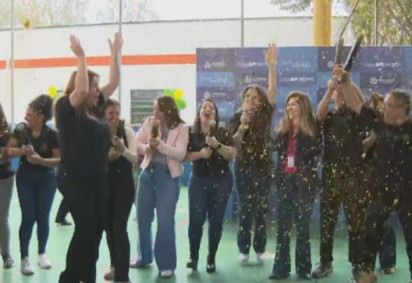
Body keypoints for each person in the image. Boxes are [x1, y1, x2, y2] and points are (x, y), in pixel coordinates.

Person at [55, 33, 122, 283]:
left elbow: (113, 82)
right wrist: (81, 57)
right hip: (75, 180)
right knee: (85, 229)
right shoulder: (66, 109)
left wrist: (114, 55)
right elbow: (82, 88)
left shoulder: (95, 109)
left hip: (98, 179)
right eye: (95, 87)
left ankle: (87, 276)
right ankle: (70, 278)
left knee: (95, 230)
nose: (97, 91)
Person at [340, 69, 412, 283]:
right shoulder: (379, 123)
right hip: (381, 191)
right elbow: (355, 104)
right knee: (370, 234)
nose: (383, 107)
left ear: (402, 110)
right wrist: (345, 82)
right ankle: (364, 275)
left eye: (388, 105)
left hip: (409, 194)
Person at [312, 68, 369, 280]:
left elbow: (360, 103)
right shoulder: (329, 116)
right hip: (331, 178)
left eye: (344, 94)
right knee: (327, 222)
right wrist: (329, 90)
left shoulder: (357, 116)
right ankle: (325, 263)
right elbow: (319, 113)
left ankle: (358, 265)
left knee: (356, 224)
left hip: (355, 178)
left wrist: (347, 83)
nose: (342, 97)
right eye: (339, 94)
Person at [230, 44, 277, 265]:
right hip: (242, 167)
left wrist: (272, 65)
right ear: (243, 99)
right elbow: (234, 144)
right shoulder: (236, 116)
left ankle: (260, 248)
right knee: (245, 208)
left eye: (255, 96)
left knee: (261, 208)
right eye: (247, 96)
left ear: (261, 101)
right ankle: (243, 249)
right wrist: (241, 126)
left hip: (264, 167)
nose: (251, 99)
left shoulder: (266, 113)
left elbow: (273, 90)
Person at [134, 95, 189, 278]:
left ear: (167, 110)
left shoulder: (182, 128)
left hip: (168, 176)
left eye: (157, 108)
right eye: (153, 108)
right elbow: (137, 143)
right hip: (147, 174)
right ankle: (143, 257)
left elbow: (180, 154)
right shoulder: (149, 122)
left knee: (165, 221)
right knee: (142, 218)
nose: (154, 112)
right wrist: (146, 149)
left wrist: (161, 146)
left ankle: (166, 264)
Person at [269, 91, 320, 280]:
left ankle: (303, 268)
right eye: (288, 104)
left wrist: (303, 130)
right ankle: (280, 268)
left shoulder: (312, 127)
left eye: (294, 104)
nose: (290, 107)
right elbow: (275, 148)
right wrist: (281, 133)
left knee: (302, 226)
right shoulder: (284, 127)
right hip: (285, 181)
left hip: (304, 182)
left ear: (303, 106)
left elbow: (316, 150)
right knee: (283, 226)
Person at [7, 94, 60, 275]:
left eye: (29, 113)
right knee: (28, 217)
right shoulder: (21, 131)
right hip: (25, 179)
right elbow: (8, 150)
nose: (25, 116)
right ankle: (24, 258)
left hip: (46, 180)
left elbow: (59, 159)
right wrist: (21, 150)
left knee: (43, 217)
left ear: (41, 116)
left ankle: (42, 253)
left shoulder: (53, 135)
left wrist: (41, 161)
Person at [184, 98, 236, 273]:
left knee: (216, 221)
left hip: (221, 181)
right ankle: (193, 256)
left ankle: (211, 257)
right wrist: (200, 154)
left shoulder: (223, 131)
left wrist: (217, 145)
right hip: (198, 180)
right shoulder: (191, 133)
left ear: (216, 114)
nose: (207, 109)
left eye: (211, 108)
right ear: (199, 114)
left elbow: (232, 154)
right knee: (196, 221)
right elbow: (183, 157)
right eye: (204, 107)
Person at [102, 99, 137, 283]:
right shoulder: (97, 134)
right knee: (109, 228)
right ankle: (114, 265)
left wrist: (122, 150)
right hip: (104, 185)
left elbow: (134, 158)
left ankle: (123, 276)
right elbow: (93, 160)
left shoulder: (128, 132)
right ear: (104, 114)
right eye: (111, 113)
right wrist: (107, 157)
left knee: (119, 227)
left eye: (117, 113)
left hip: (124, 185)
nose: (114, 117)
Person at [0, 103, 15, 269]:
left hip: (4, 178)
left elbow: (5, 156)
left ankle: (6, 255)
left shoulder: (5, 133)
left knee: (1, 218)